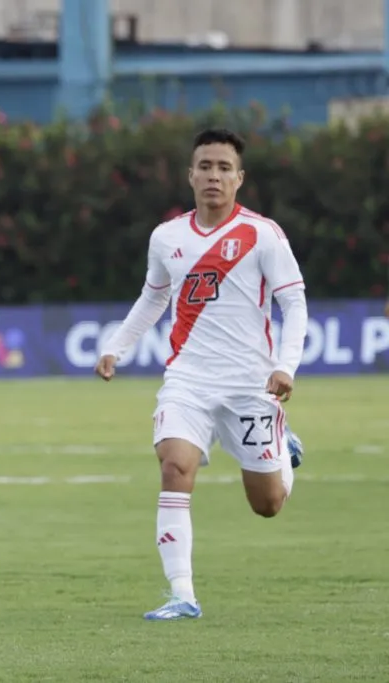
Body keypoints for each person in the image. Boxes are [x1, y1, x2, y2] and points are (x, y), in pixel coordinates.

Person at [94, 128, 307, 621]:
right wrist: (115, 348)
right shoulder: (167, 236)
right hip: (188, 379)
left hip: (250, 384)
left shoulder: (262, 234)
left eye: (224, 167)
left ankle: (284, 451)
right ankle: (182, 594)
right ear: (191, 175)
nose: (214, 175)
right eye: (205, 166)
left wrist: (285, 367)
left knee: (268, 504)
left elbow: (293, 302)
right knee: (175, 466)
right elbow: (154, 296)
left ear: (239, 178)